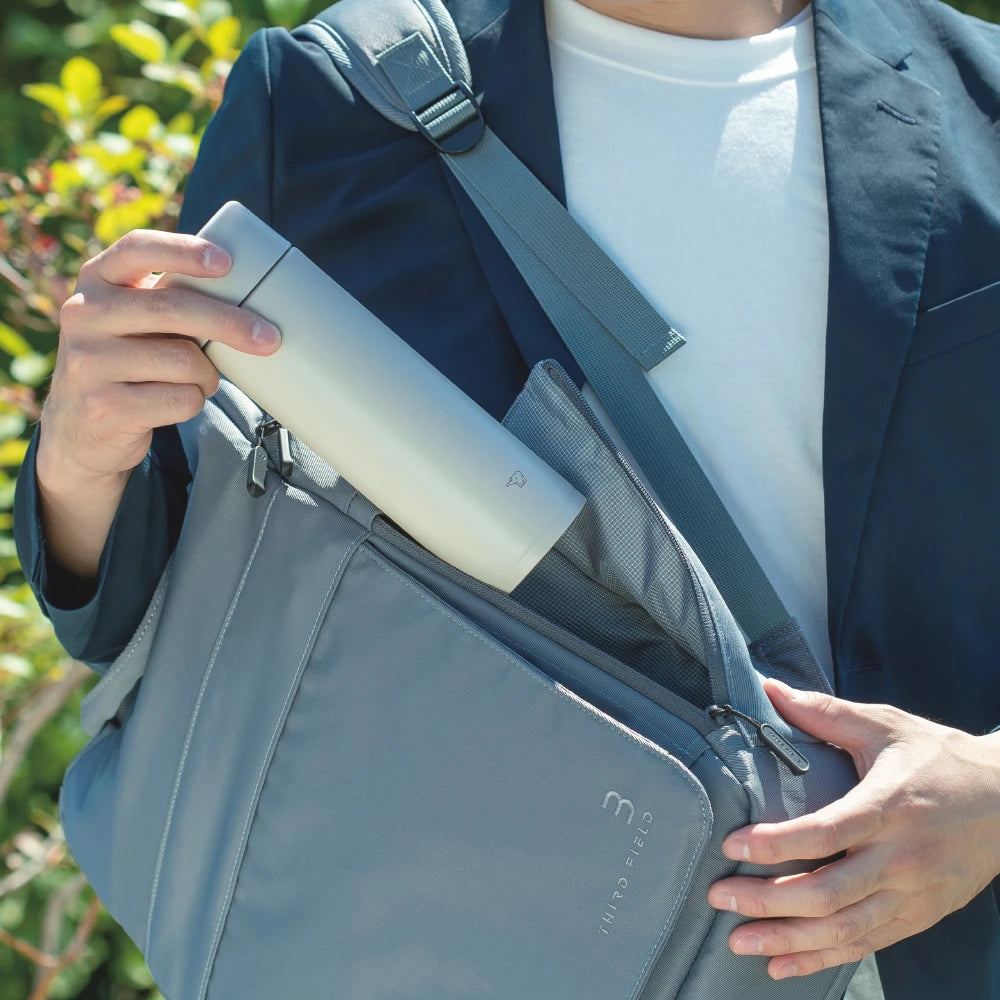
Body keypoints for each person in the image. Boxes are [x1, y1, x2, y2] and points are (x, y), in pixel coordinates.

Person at [12, 0, 1000, 994]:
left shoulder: (981, 103)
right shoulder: (335, 99)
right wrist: (84, 453)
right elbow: (178, 592)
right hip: (508, 941)